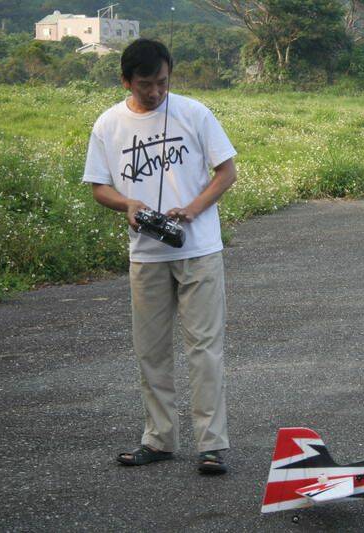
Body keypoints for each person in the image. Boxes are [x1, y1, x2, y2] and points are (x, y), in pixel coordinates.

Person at [82, 38, 237, 475]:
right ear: (126, 80)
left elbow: (226, 172)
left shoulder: (195, 113)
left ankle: (211, 445)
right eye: (146, 84)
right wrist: (127, 204)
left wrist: (192, 208)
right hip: (146, 255)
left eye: (163, 82)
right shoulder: (108, 124)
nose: (155, 93)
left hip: (200, 248)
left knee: (204, 348)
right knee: (150, 350)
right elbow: (99, 186)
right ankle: (159, 439)